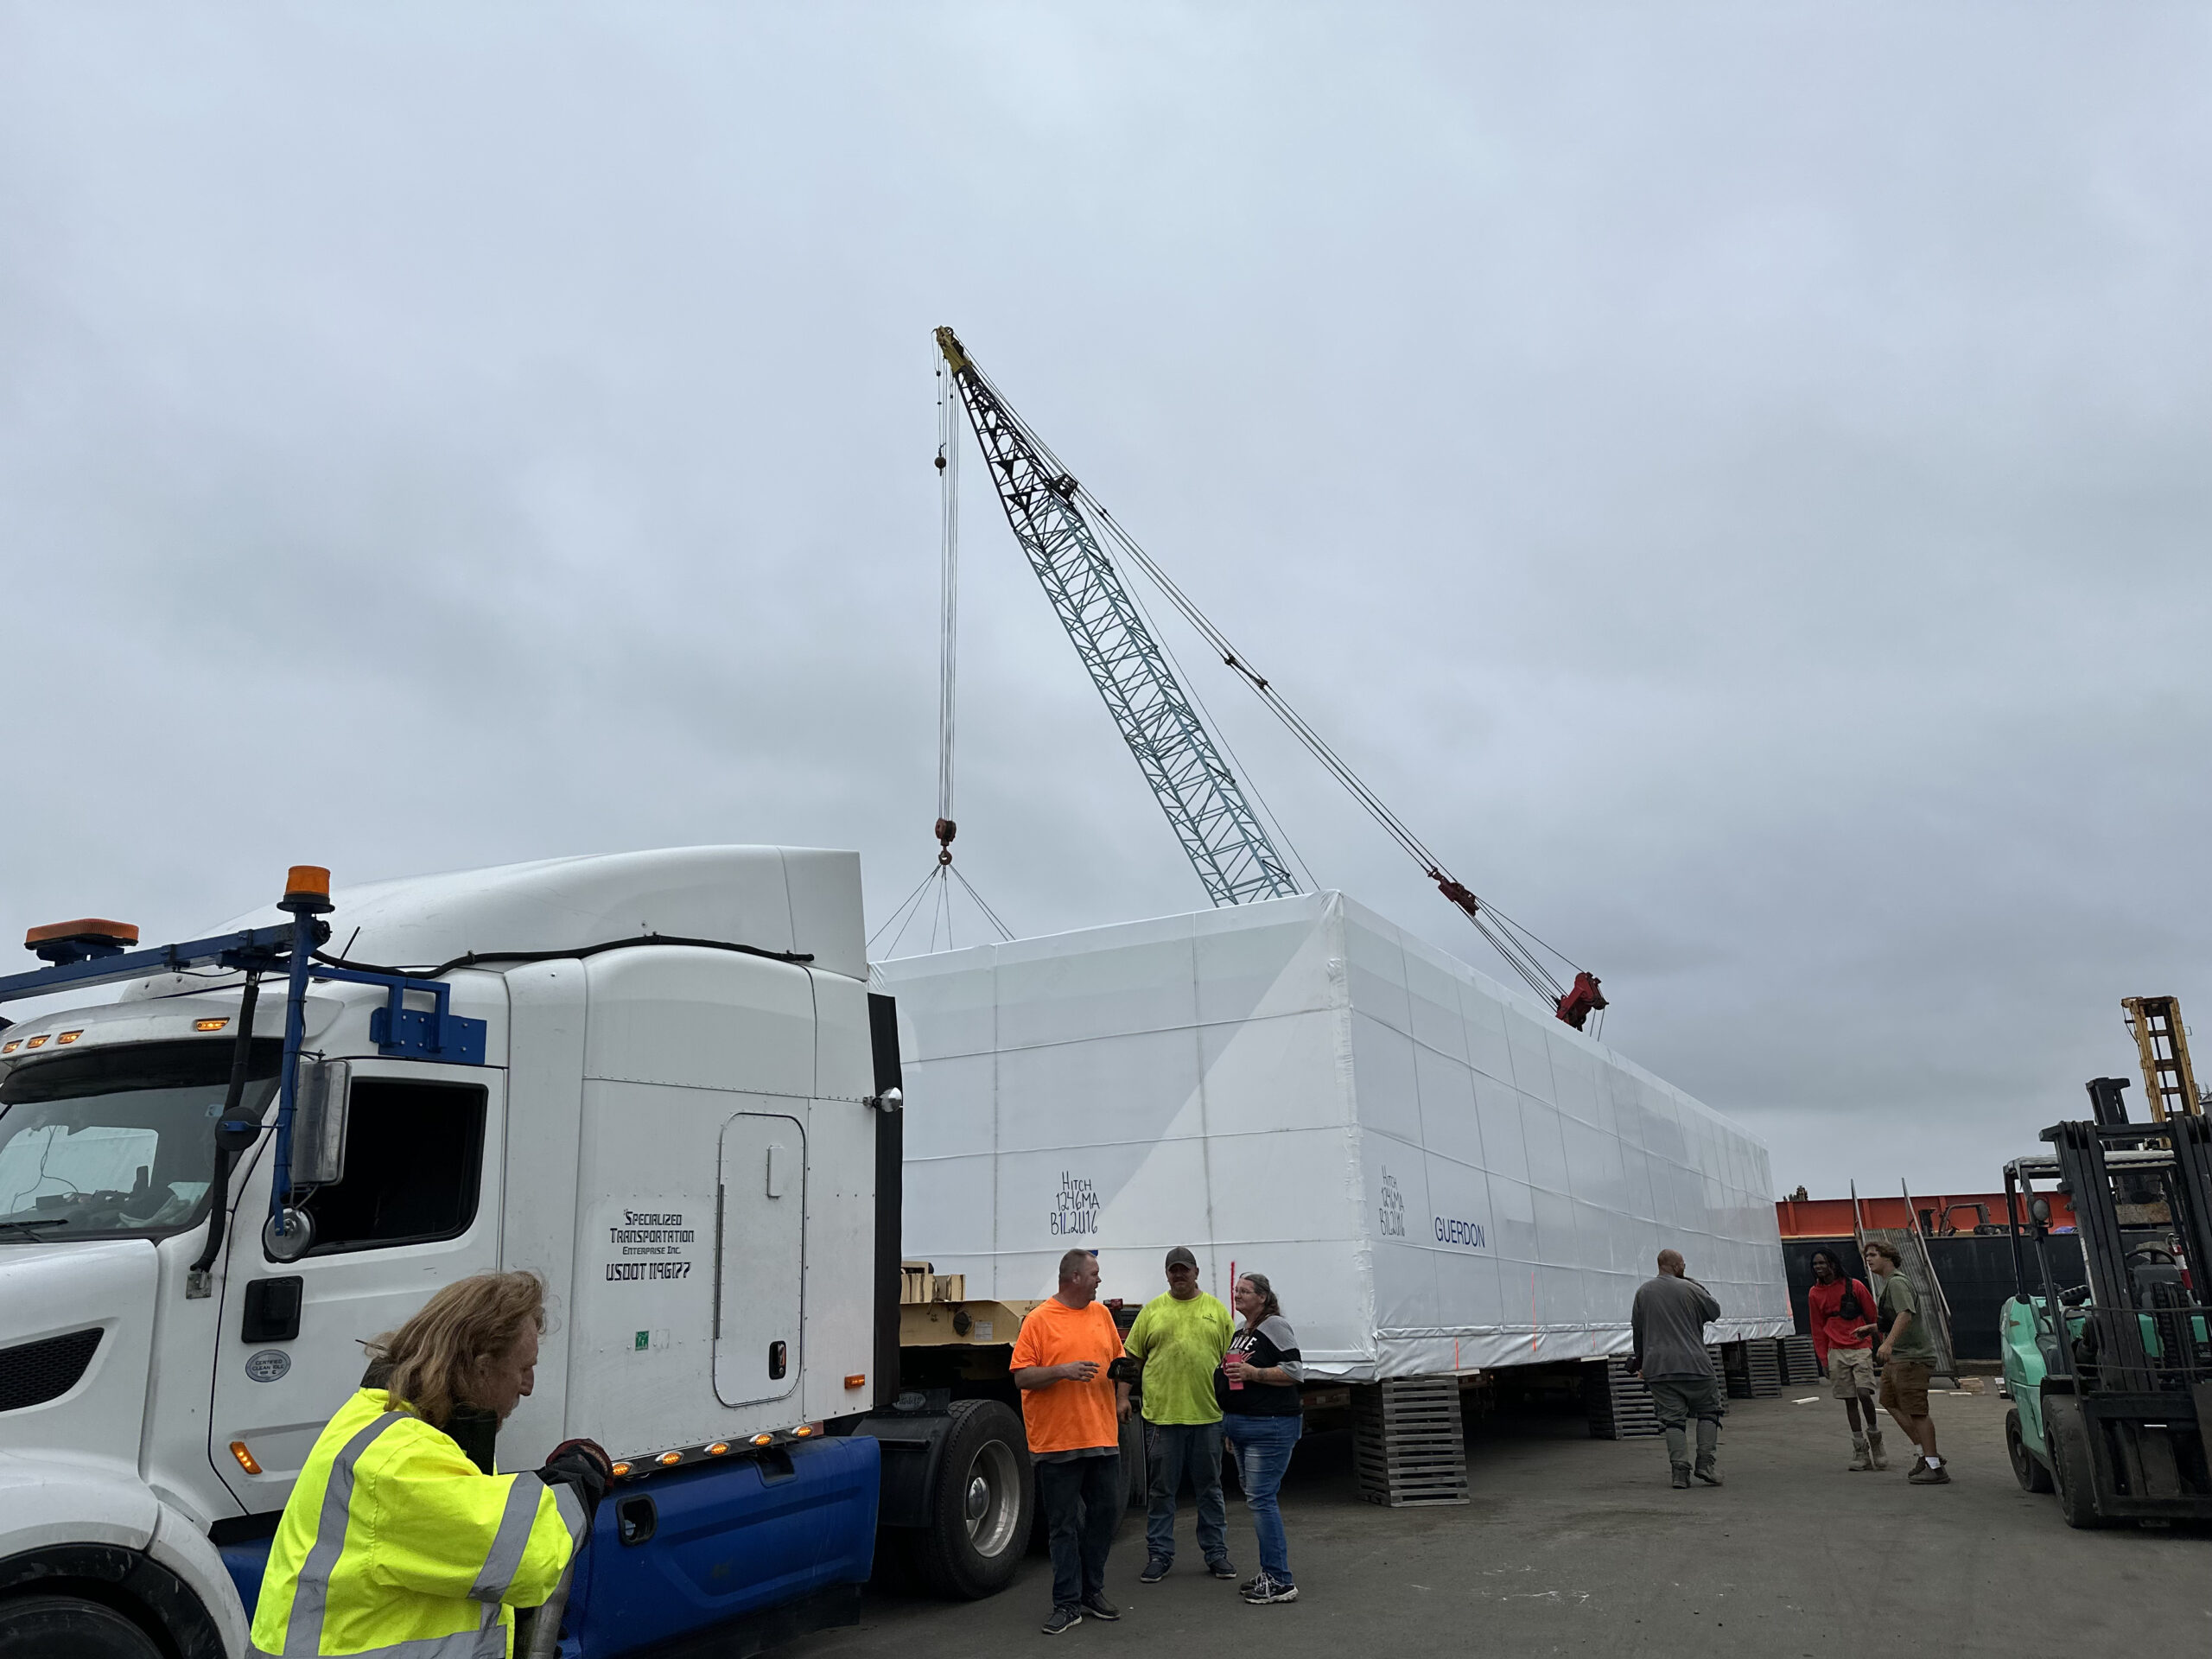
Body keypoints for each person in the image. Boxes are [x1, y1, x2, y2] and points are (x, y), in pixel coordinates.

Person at [251, 1271, 611, 1659]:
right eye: (524, 1367)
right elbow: (532, 1555)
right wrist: (579, 1476)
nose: (528, 1385)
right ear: (481, 1366)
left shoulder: (400, 1425)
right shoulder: (400, 1460)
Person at [1011, 1249, 1133, 1636]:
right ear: (1074, 1278)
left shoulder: (1101, 1316)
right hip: (1058, 1442)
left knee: (1105, 1516)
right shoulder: (1039, 1320)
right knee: (1063, 1526)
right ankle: (1066, 1603)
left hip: (1101, 1437)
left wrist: (1122, 1394)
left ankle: (1090, 1591)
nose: (1100, 1280)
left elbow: (1119, 1360)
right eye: (1094, 1273)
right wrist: (1062, 1370)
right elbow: (1021, 1378)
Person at [1124, 1245, 1236, 1585]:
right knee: (1161, 1492)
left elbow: (1232, 1367)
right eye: (1174, 1269)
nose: (1179, 1274)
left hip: (1207, 1417)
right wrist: (1122, 1398)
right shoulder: (1153, 1312)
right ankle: (1159, 1554)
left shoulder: (1216, 1312)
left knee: (1210, 1490)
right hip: (1162, 1419)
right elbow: (1132, 1362)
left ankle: (1216, 1553)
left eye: (1185, 1269)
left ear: (1196, 1272)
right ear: (1167, 1273)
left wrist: (1233, 1417)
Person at [1219, 1271, 1303, 1605]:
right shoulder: (1242, 1331)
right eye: (1236, 1290)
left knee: (1262, 1501)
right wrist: (1231, 1426)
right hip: (1242, 1427)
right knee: (1258, 1500)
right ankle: (1270, 1570)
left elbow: (1295, 1370)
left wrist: (1254, 1374)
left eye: (1245, 1291)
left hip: (1270, 1427)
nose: (1237, 1295)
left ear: (1264, 1298)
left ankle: (1280, 1580)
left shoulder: (1275, 1326)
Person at [1630, 1249, 1724, 1490]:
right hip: (1696, 1365)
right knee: (1708, 1412)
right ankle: (1706, 1464)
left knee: (1672, 1421)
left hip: (1659, 1368)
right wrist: (1692, 1282)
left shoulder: (1643, 1292)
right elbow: (1715, 1311)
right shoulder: (1691, 1289)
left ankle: (1680, 1473)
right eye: (1683, 1264)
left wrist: (1641, 1362)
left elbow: (1638, 1331)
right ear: (1677, 1266)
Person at [1861, 1240, 1948, 1484]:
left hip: (1911, 1357)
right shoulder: (1890, 1284)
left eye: (1873, 1254)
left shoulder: (1897, 1283)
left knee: (1917, 1410)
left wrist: (1887, 1343)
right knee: (1889, 1400)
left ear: (1888, 1257)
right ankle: (1925, 1453)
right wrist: (1872, 1329)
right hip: (1899, 1357)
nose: (1869, 1259)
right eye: (1867, 1255)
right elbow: (1894, 1318)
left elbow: (1905, 1314)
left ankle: (1934, 1466)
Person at [1806, 1248, 1887, 1471]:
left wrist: (1880, 1345)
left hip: (1860, 1347)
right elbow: (1817, 1328)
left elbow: (1873, 1316)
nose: (1819, 1268)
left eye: (1822, 1263)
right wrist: (1823, 1359)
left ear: (1833, 1263)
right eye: (1815, 1264)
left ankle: (1876, 1439)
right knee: (1850, 1399)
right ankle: (1860, 1449)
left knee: (1864, 1393)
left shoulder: (1855, 1286)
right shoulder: (1815, 1294)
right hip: (1835, 1350)